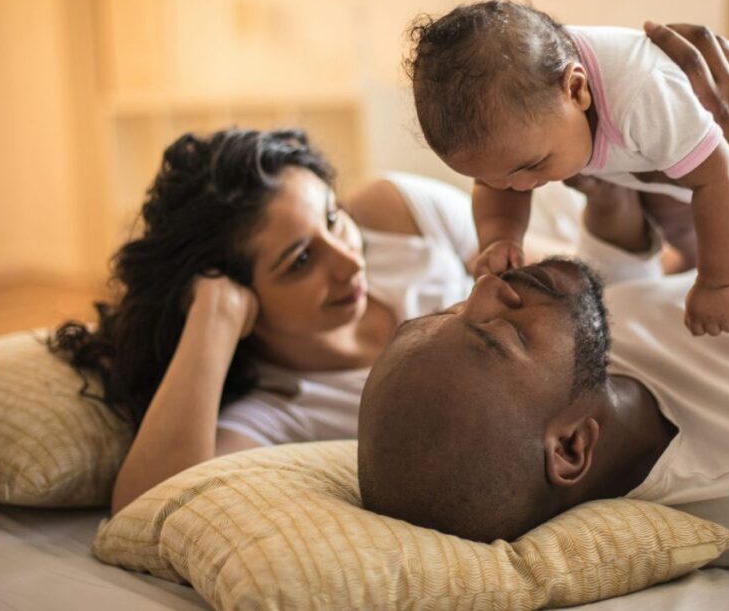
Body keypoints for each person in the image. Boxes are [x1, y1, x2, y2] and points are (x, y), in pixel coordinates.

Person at [358, 23, 729, 569]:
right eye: (499, 333)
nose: (487, 287)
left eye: (450, 308)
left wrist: (615, 218)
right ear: (572, 446)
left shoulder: (588, 387)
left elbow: (640, 315)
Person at [50, 127, 628, 515]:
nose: (351, 260)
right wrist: (213, 319)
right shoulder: (280, 410)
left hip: (591, 235)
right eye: (301, 261)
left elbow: (591, 284)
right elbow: (143, 508)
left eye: (333, 218)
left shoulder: (391, 213)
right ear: (242, 296)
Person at [407, 0, 729, 336]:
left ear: (577, 89)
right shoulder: (530, 118)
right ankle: (698, 255)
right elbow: (497, 184)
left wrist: (720, 284)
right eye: (495, 179)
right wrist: (500, 237)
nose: (521, 185)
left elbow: (721, 177)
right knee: (680, 227)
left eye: (531, 167)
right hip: (662, 157)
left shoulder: (641, 98)